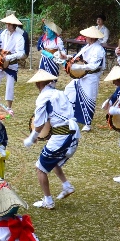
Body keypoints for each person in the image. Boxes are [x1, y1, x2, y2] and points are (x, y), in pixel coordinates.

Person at [23, 70, 78, 209]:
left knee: (40, 168)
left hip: (61, 137)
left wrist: (32, 138)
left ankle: (48, 201)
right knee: (53, 161)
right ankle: (67, 186)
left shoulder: (43, 97)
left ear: (39, 83)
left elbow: (40, 122)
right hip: (71, 134)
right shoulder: (59, 93)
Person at [63, 26, 106, 131]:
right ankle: (71, 116)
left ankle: (87, 123)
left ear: (92, 37)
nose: (85, 37)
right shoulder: (87, 46)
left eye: (87, 36)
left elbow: (94, 65)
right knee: (69, 91)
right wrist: (68, 57)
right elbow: (79, 57)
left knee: (89, 98)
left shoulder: (99, 49)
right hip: (81, 76)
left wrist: (80, 67)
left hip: (91, 77)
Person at [0, 14, 29, 109]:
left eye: (10, 24)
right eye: (7, 24)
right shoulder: (2, 33)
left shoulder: (19, 37)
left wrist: (8, 57)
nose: (7, 26)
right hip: (0, 63)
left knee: (9, 86)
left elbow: (21, 53)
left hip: (11, 65)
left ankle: (9, 107)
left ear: (14, 25)